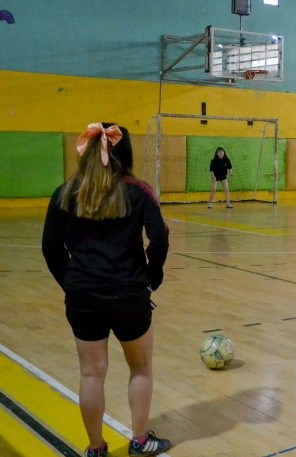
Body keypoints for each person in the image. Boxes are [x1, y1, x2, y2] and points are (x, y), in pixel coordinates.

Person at [42, 123, 172, 457]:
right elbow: (159, 237)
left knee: (90, 374)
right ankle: (140, 441)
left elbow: (50, 246)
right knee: (140, 368)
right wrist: (151, 276)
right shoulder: (139, 190)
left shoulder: (65, 192)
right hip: (129, 293)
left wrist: (70, 282)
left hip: (83, 296)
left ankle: (97, 448)